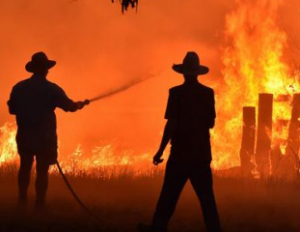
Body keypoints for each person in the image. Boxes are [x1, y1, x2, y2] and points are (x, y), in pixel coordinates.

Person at [138, 52, 221, 232]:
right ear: (197, 73)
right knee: (207, 198)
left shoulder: (176, 93)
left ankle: (158, 227)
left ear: (183, 73)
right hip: (201, 154)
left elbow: (172, 124)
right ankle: (215, 230)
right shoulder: (208, 93)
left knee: (168, 195)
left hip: (180, 154)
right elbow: (211, 123)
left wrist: (160, 151)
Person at [7, 52, 89, 211]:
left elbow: (12, 110)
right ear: (45, 69)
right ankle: (39, 203)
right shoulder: (52, 89)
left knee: (25, 167)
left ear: (33, 69)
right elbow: (69, 107)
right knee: (42, 171)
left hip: (24, 135)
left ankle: (22, 200)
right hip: (44, 137)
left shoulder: (19, 87)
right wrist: (79, 105)